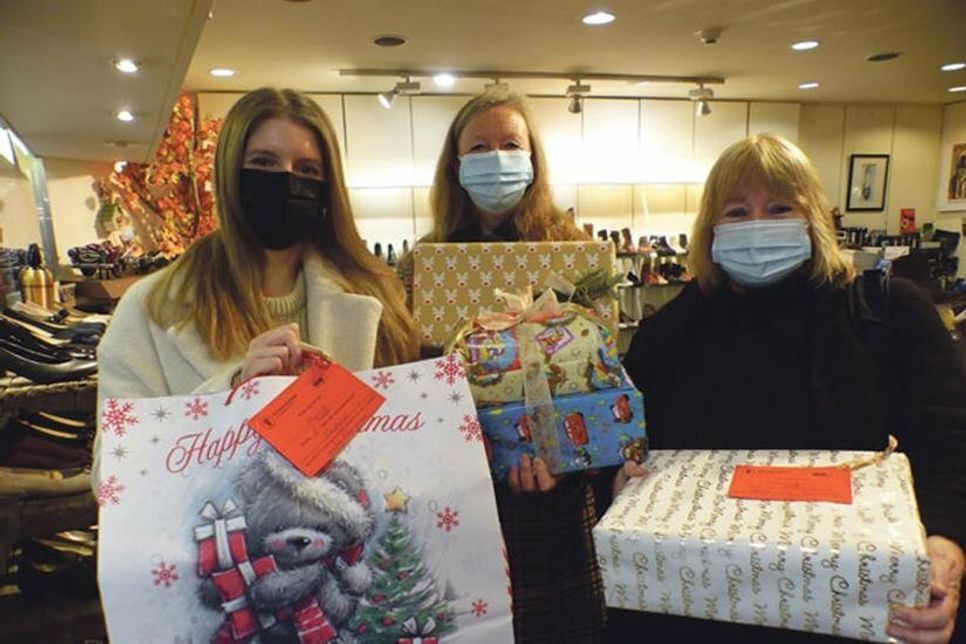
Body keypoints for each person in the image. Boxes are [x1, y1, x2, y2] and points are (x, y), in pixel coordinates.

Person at [619, 134, 966, 643]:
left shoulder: (888, 313)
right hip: (705, 607)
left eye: (779, 207)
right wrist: (624, 484)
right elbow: (632, 452)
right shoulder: (667, 335)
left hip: (855, 605)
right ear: (710, 229)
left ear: (815, 220)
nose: (758, 224)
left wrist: (945, 548)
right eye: (737, 212)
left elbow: (952, 445)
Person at [402, 88, 636, 644]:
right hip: (466, 501)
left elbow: (600, 376)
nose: (496, 158)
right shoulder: (426, 262)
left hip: (561, 506)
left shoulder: (574, 252)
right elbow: (420, 380)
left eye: (510, 144)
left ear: (533, 160)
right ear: (455, 166)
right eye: (478, 146)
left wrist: (567, 460)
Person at [94, 88, 419, 481]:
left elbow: (410, 443)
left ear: (327, 187)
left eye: (307, 170)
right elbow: (114, 476)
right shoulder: (151, 308)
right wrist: (232, 396)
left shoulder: (376, 294)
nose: (286, 180)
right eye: (264, 163)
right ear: (230, 174)